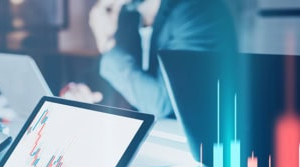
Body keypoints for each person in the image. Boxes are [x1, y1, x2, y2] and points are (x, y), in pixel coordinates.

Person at [61, 0, 237, 119]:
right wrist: (78, 90)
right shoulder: (128, 14)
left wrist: (104, 42)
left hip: (197, 150)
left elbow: (159, 105)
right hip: (151, 142)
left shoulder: (198, 11)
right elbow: (102, 76)